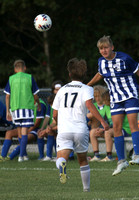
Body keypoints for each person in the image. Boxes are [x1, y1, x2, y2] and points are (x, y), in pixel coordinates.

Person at [87, 36, 139, 176]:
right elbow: (100, 74)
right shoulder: (101, 62)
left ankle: (137, 156)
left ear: (112, 47)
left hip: (130, 95)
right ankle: (121, 161)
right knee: (116, 128)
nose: (104, 50)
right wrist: (87, 85)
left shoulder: (124, 58)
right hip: (115, 98)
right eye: (101, 48)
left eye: (106, 47)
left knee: (133, 124)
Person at [52, 58, 109, 192]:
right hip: (80, 129)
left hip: (65, 129)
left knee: (61, 158)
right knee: (83, 160)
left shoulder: (62, 90)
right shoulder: (87, 89)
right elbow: (89, 105)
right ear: (84, 75)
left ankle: (62, 165)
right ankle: (86, 189)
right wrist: (102, 121)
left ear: (70, 74)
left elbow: (55, 114)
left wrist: (59, 123)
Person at [4, 59, 41, 162]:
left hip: (15, 108)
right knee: (24, 131)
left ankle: (24, 154)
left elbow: (7, 96)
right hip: (27, 107)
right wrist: (38, 104)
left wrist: (8, 111)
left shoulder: (11, 79)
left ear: (15, 69)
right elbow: (35, 95)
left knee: (20, 132)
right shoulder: (29, 77)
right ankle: (21, 156)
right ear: (25, 68)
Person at [88, 85, 114, 162]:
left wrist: (103, 129)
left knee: (107, 132)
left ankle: (109, 156)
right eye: (95, 96)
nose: (98, 98)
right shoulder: (93, 106)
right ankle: (96, 155)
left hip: (109, 129)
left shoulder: (107, 106)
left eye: (99, 96)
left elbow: (111, 121)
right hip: (99, 130)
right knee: (92, 132)